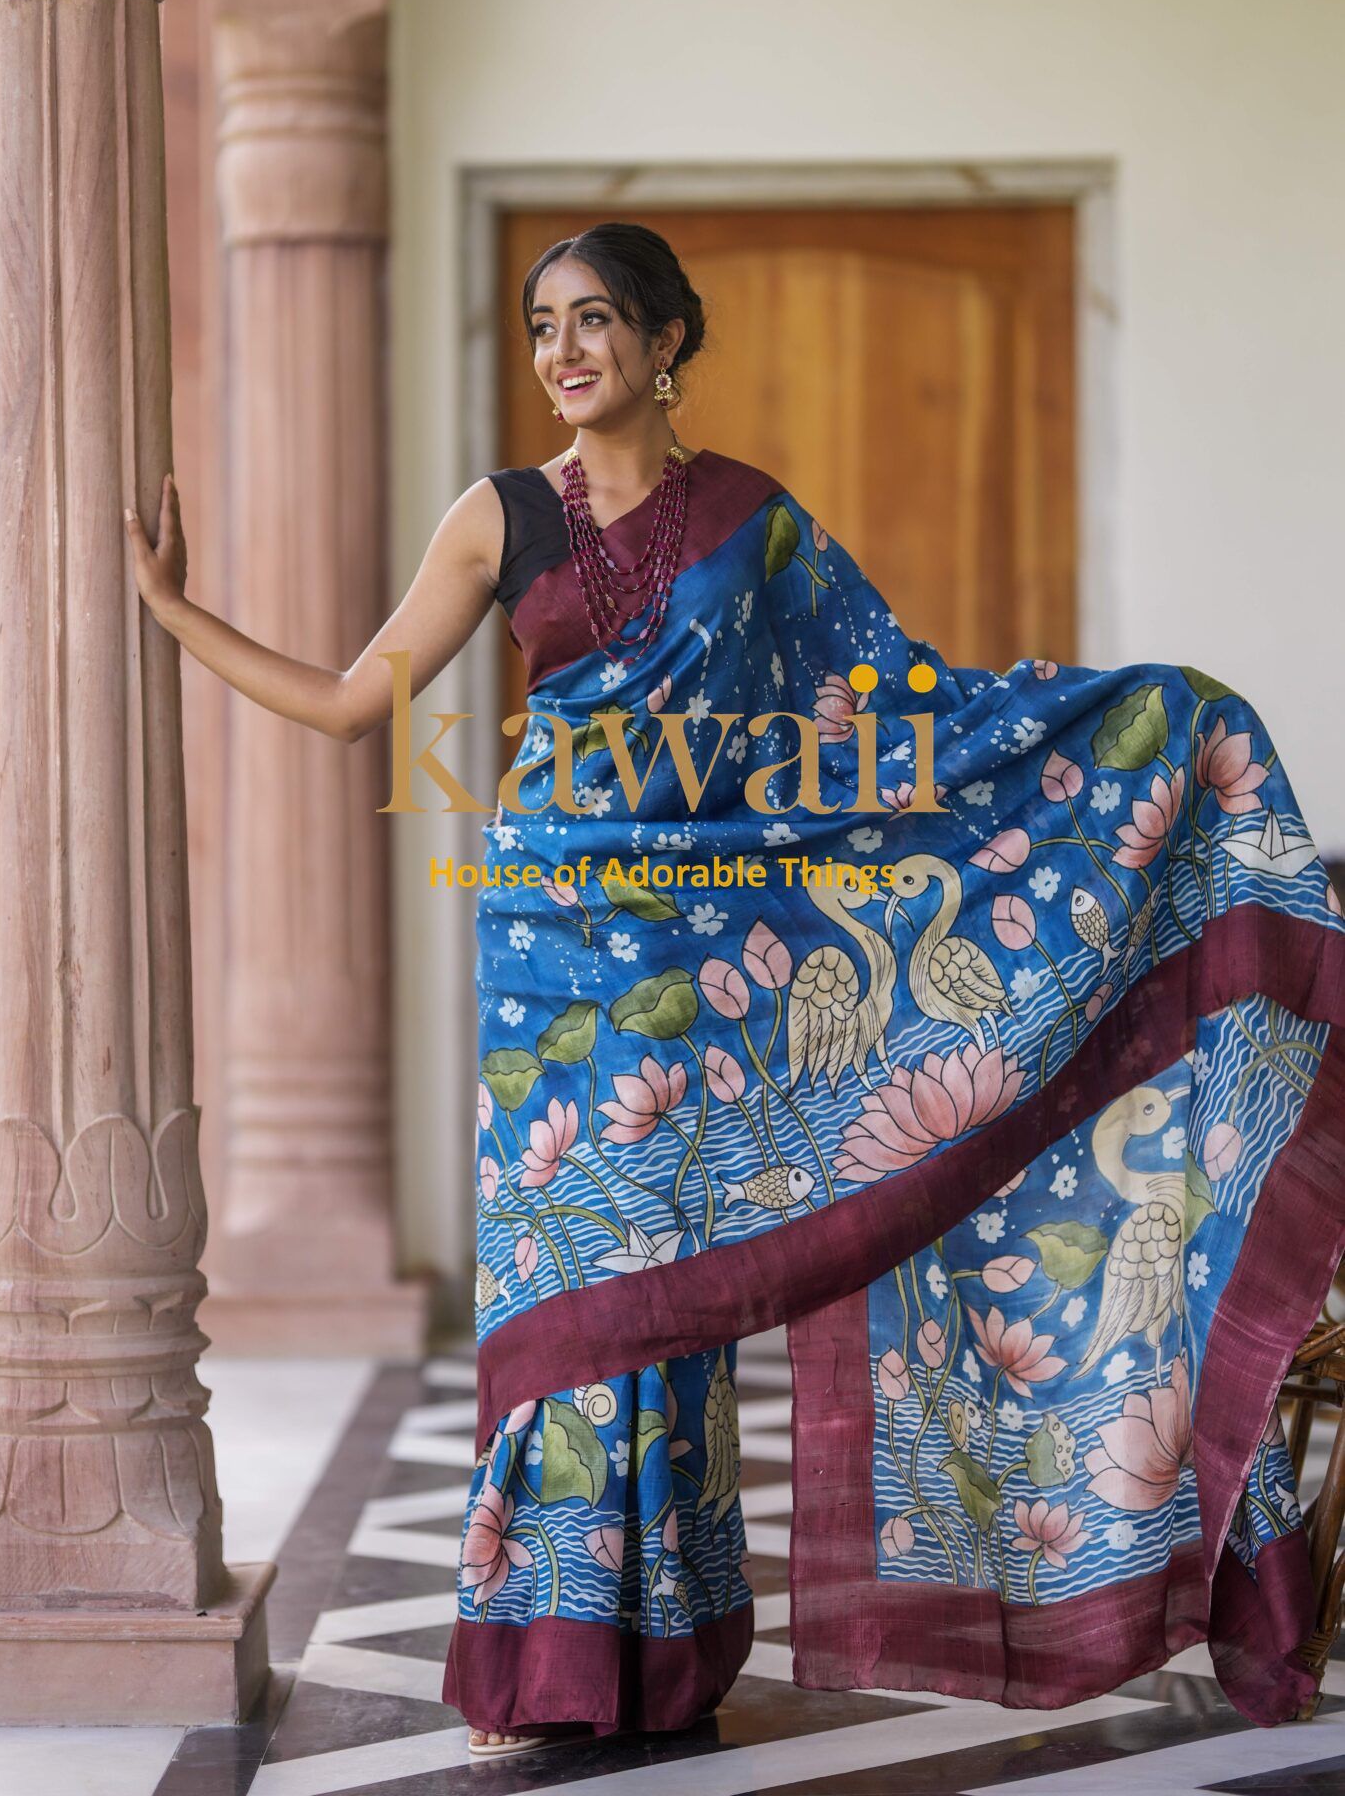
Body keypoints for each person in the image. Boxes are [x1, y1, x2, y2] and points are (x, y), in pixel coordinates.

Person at [127, 221, 1345, 1761]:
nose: (564, 353)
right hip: (552, 962)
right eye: (541, 326)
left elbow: (901, 708)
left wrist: (1141, 721)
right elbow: (355, 704)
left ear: (664, 342)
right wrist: (176, 617)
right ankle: (545, 1657)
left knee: (676, 1291)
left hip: (700, 960)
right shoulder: (498, 516)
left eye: (594, 322)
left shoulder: (755, 524)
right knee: (566, 1294)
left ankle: (661, 1652)